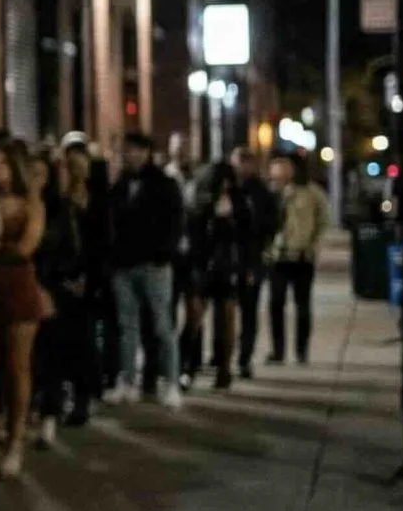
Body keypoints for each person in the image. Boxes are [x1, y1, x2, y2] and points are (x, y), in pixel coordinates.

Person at [0, 144, 48, 479]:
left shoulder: (30, 203)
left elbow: (26, 245)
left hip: (17, 284)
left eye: (0, 164)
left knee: (18, 367)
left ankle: (15, 441)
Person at [108, 132, 185, 409]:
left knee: (162, 326)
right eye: (126, 150)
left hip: (154, 264)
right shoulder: (120, 185)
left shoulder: (164, 184)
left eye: (134, 150)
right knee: (127, 326)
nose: (129, 155)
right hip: (124, 265)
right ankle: (128, 381)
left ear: (146, 152)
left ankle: (171, 382)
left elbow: (176, 222)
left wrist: (164, 254)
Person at [34, 145, 99, 446]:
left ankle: (79, 397)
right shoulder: (48, 206)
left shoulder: (79, 204)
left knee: (78, 344)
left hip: (75, 285)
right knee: (49, 351)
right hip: (48, 285)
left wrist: (83, 277)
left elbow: (90, 244)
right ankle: (51, 407)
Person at [185, 162, 255, 393]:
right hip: (204, 267)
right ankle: (188, 366)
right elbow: (193, 234)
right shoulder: (202, 204)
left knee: (227, 320)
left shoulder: (240, 203)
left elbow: (247, 238)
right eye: (220, 180)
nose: (225, 185)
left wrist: (247, 268)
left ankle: (224, 369)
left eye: (228, 180)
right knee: (194, 318)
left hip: (228, 269)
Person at [265, 154, 329, 366]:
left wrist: (313, 247)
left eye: (285, 167)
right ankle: (278, 351)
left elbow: (323, 222)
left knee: (302, 306)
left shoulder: (312, 192)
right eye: (277, 167)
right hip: (277, 257)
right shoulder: (272, 193)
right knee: (275, 304)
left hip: (302, 256)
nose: (281, 171)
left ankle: (301, 351)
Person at [230, 147, 279, 379]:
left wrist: (256, 262)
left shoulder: (260, 193)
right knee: (225, 313)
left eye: (244, 163)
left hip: (250, 261)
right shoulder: (226, 188)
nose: (240, 168)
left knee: (248, 313)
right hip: (226, 260)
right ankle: (222, 358)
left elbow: (269, 226)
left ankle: (244, 358)